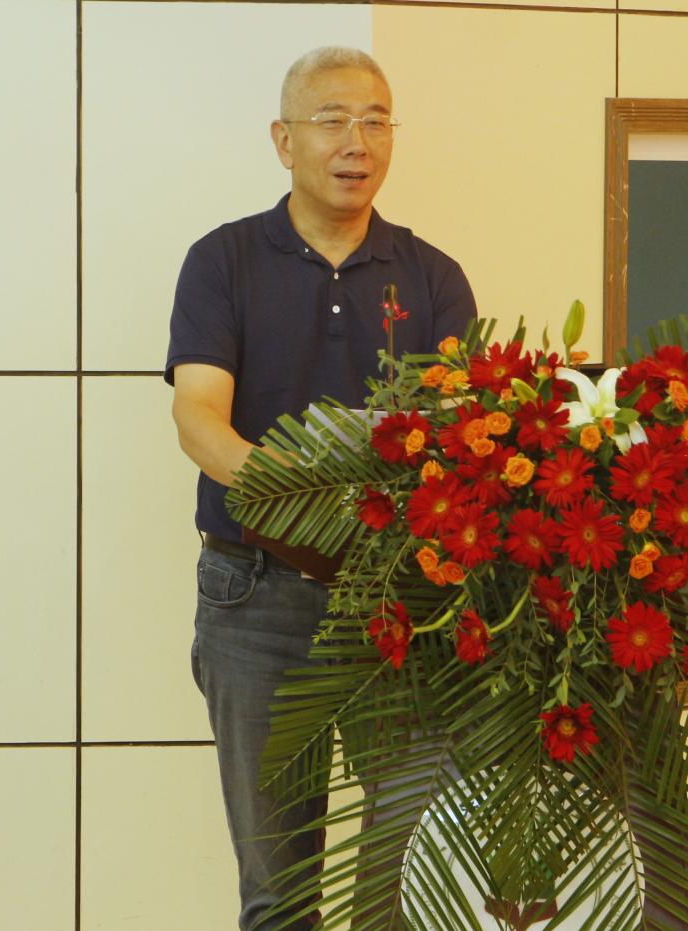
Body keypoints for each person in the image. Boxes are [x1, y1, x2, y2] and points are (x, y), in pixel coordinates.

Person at [165, 47, 477, 931]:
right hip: (256, 596)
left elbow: (462, 435)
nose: (356, 142)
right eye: (333, 119)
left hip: (400, 602)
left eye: (376, 121)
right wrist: (305, 496)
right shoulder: (222, 261)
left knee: (409, 882)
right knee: (281, 893)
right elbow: (198, 417)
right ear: (283, 139)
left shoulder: (433, 277)